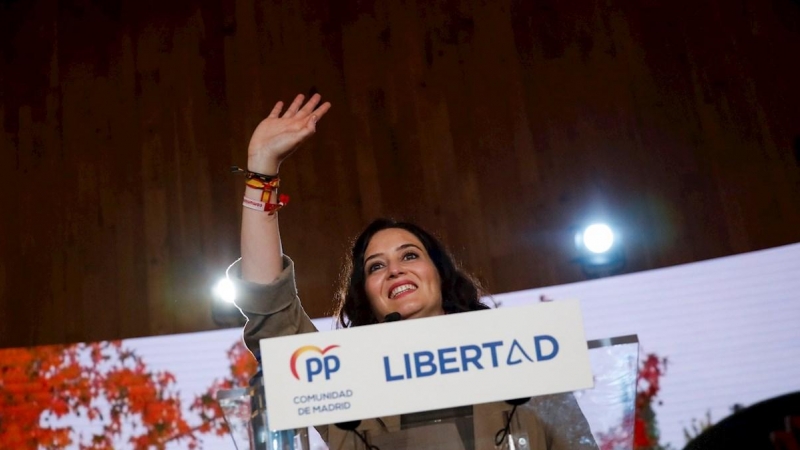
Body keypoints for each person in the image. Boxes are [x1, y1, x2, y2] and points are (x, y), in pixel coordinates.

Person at [228, 94, 599, 450]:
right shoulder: (346, 380)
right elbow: (270, 308)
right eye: (376, 266)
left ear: (439, 273)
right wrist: (262, 168)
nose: (394, 269)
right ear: (366, 296)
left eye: (409, 255)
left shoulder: (522, 359)